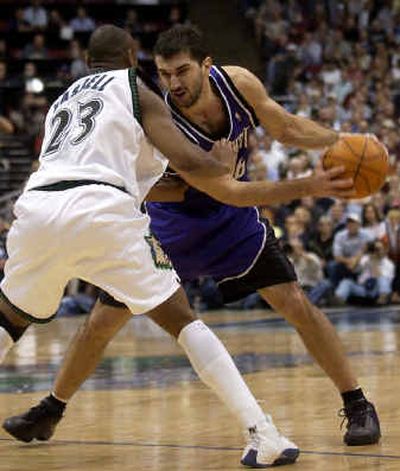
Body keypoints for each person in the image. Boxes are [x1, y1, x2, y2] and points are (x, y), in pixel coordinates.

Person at [2, 24, 378, 454]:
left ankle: (357, 401)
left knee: (295, 301)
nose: (173, 83)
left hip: (232, 218)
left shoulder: (237, 84)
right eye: (164, 74)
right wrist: (210, 175)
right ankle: (53, 406)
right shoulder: (151, 109)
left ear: (206, 65)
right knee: (101, 322)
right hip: (172, 220)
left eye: (181, 71)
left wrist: (341, 141)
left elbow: (286, 127)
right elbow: (159, 185)